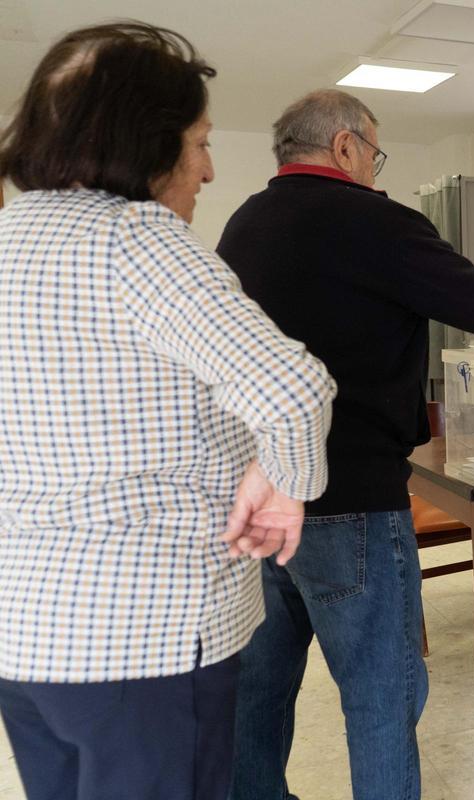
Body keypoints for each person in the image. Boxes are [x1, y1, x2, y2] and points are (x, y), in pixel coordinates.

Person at [0, 22, 336, 800]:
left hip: (25, 632)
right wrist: (283, 486)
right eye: (199, 142)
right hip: (142, 635)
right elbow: (293, 388)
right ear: (142, 142)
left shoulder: (8, 236)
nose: (209, 169)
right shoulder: (136, 241)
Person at [216, 89, 474, 800]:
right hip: (354, 505)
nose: (375, 169)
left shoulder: (242, 225)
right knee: (379, 702)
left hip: (253, 503)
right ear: (345, 147)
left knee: (254, 701)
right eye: (373, 154)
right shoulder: (375, 222)